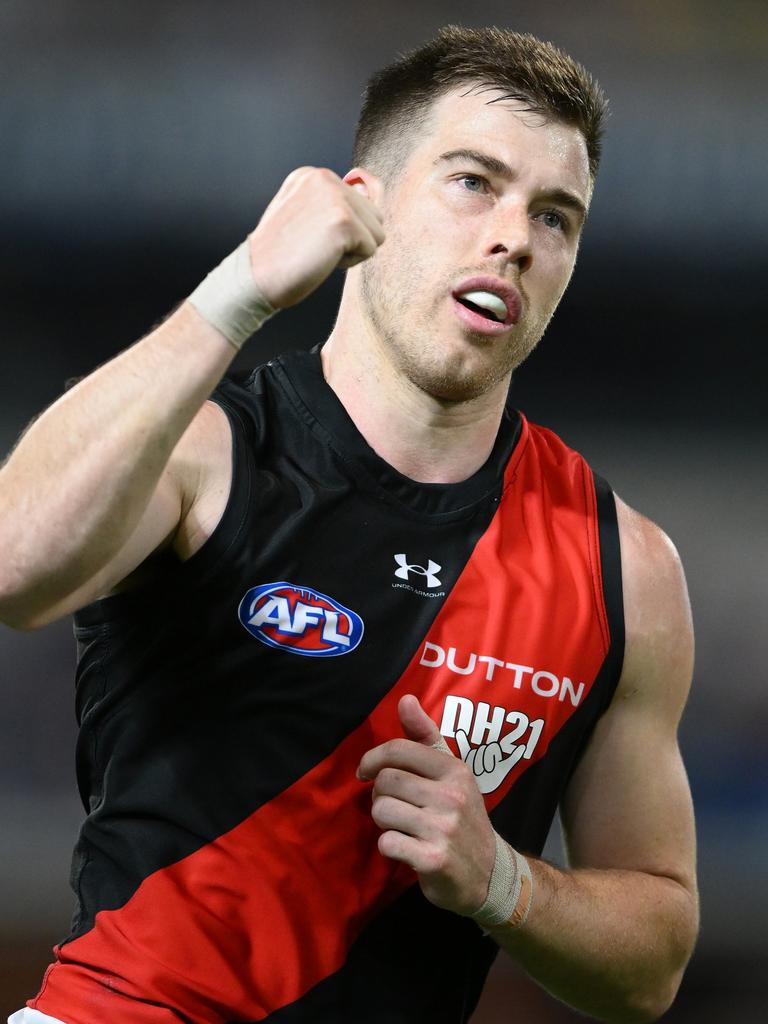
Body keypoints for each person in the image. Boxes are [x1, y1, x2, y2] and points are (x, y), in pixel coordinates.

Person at [1, 24, 698, 1024]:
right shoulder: (210, 453)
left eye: (557, 215)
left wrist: (506, 881)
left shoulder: (624, 564)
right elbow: (14, 566)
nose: (514, 236)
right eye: (473, 182)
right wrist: (237, 290)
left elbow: (654, 962)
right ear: (362, 204)